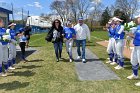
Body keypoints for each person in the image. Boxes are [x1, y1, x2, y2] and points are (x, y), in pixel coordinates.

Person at [127, 17, 140, 86]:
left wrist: (133, 36)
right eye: (138, 18)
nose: (138, 19)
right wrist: (129, 34)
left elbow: (136, 37)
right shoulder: (137, 27)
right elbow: (133, 35)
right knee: (133, 61)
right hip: (136, 46)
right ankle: (135, 75)